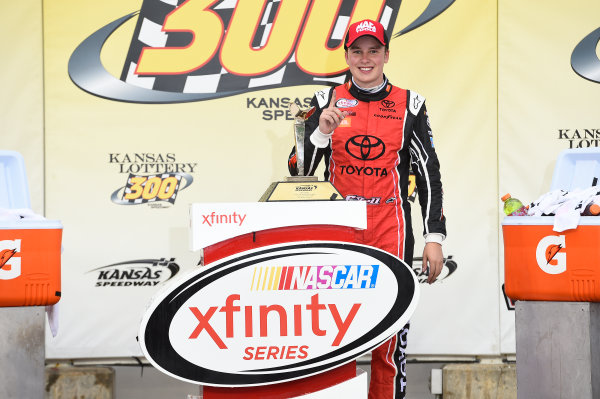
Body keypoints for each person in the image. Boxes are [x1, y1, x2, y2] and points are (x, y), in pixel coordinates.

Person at [288, 19, 446, 399]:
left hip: (390, 226)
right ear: (346, 56)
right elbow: (299, 172)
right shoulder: (326, 100)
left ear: (386, 55)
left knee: (389, 337)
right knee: (332, 330)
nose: (365, 59)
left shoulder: (411, 103)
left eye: (373, 50)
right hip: (339, 230)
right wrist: (321, 133)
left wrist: (434, 236)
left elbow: (429, 174)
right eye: (356, 51)